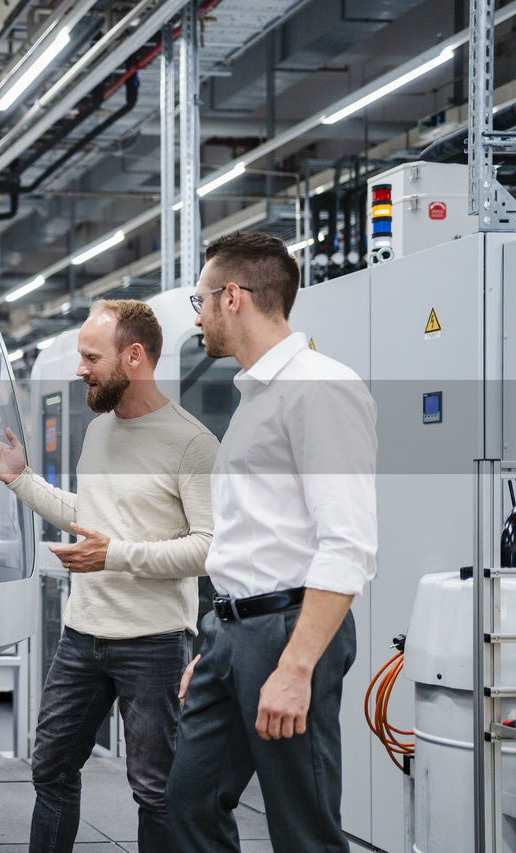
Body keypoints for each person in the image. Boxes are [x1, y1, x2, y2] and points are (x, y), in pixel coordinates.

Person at [0, 299, 218, 853]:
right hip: (82, 638)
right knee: (51, 769)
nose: (79, 369)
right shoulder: (100, 431)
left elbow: (207, 548)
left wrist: (116, 556)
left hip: (154, 643)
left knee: (155, 792)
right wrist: (21, 480)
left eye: (90, 357)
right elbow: (93, 517)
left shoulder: (193, 444)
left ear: (134, 357)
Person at [165, 232, 377, 851]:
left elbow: (348, 543)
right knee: (190, 802)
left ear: (232, 297)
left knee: (302, 826)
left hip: (288, 630)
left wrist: (296, 667)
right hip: (232, 633)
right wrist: (220, 641)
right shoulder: (256, 396)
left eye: (200, 300)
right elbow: (252, 537)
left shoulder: (320, 387)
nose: (198, 317)